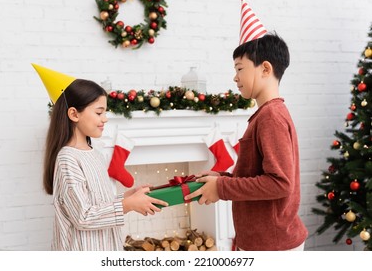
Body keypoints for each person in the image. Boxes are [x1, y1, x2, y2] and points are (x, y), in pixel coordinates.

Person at [184, 32, 308, 251]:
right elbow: (260, 177)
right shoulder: (267, 115)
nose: (235, 77)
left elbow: (279, 183)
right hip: (263, 241)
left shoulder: (271, 117)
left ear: (266, 69)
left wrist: (222, 187)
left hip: (272, 245)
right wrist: (221, 178)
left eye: (240, 68)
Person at [32, 64, 168, 251]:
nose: (105, 119)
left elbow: (96, 205)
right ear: (73, 114)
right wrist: (127, 205)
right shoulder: (67, 159)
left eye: (105, 112)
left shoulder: (94, 153)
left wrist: (126, 197)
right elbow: (83, 216)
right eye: (98, 112)